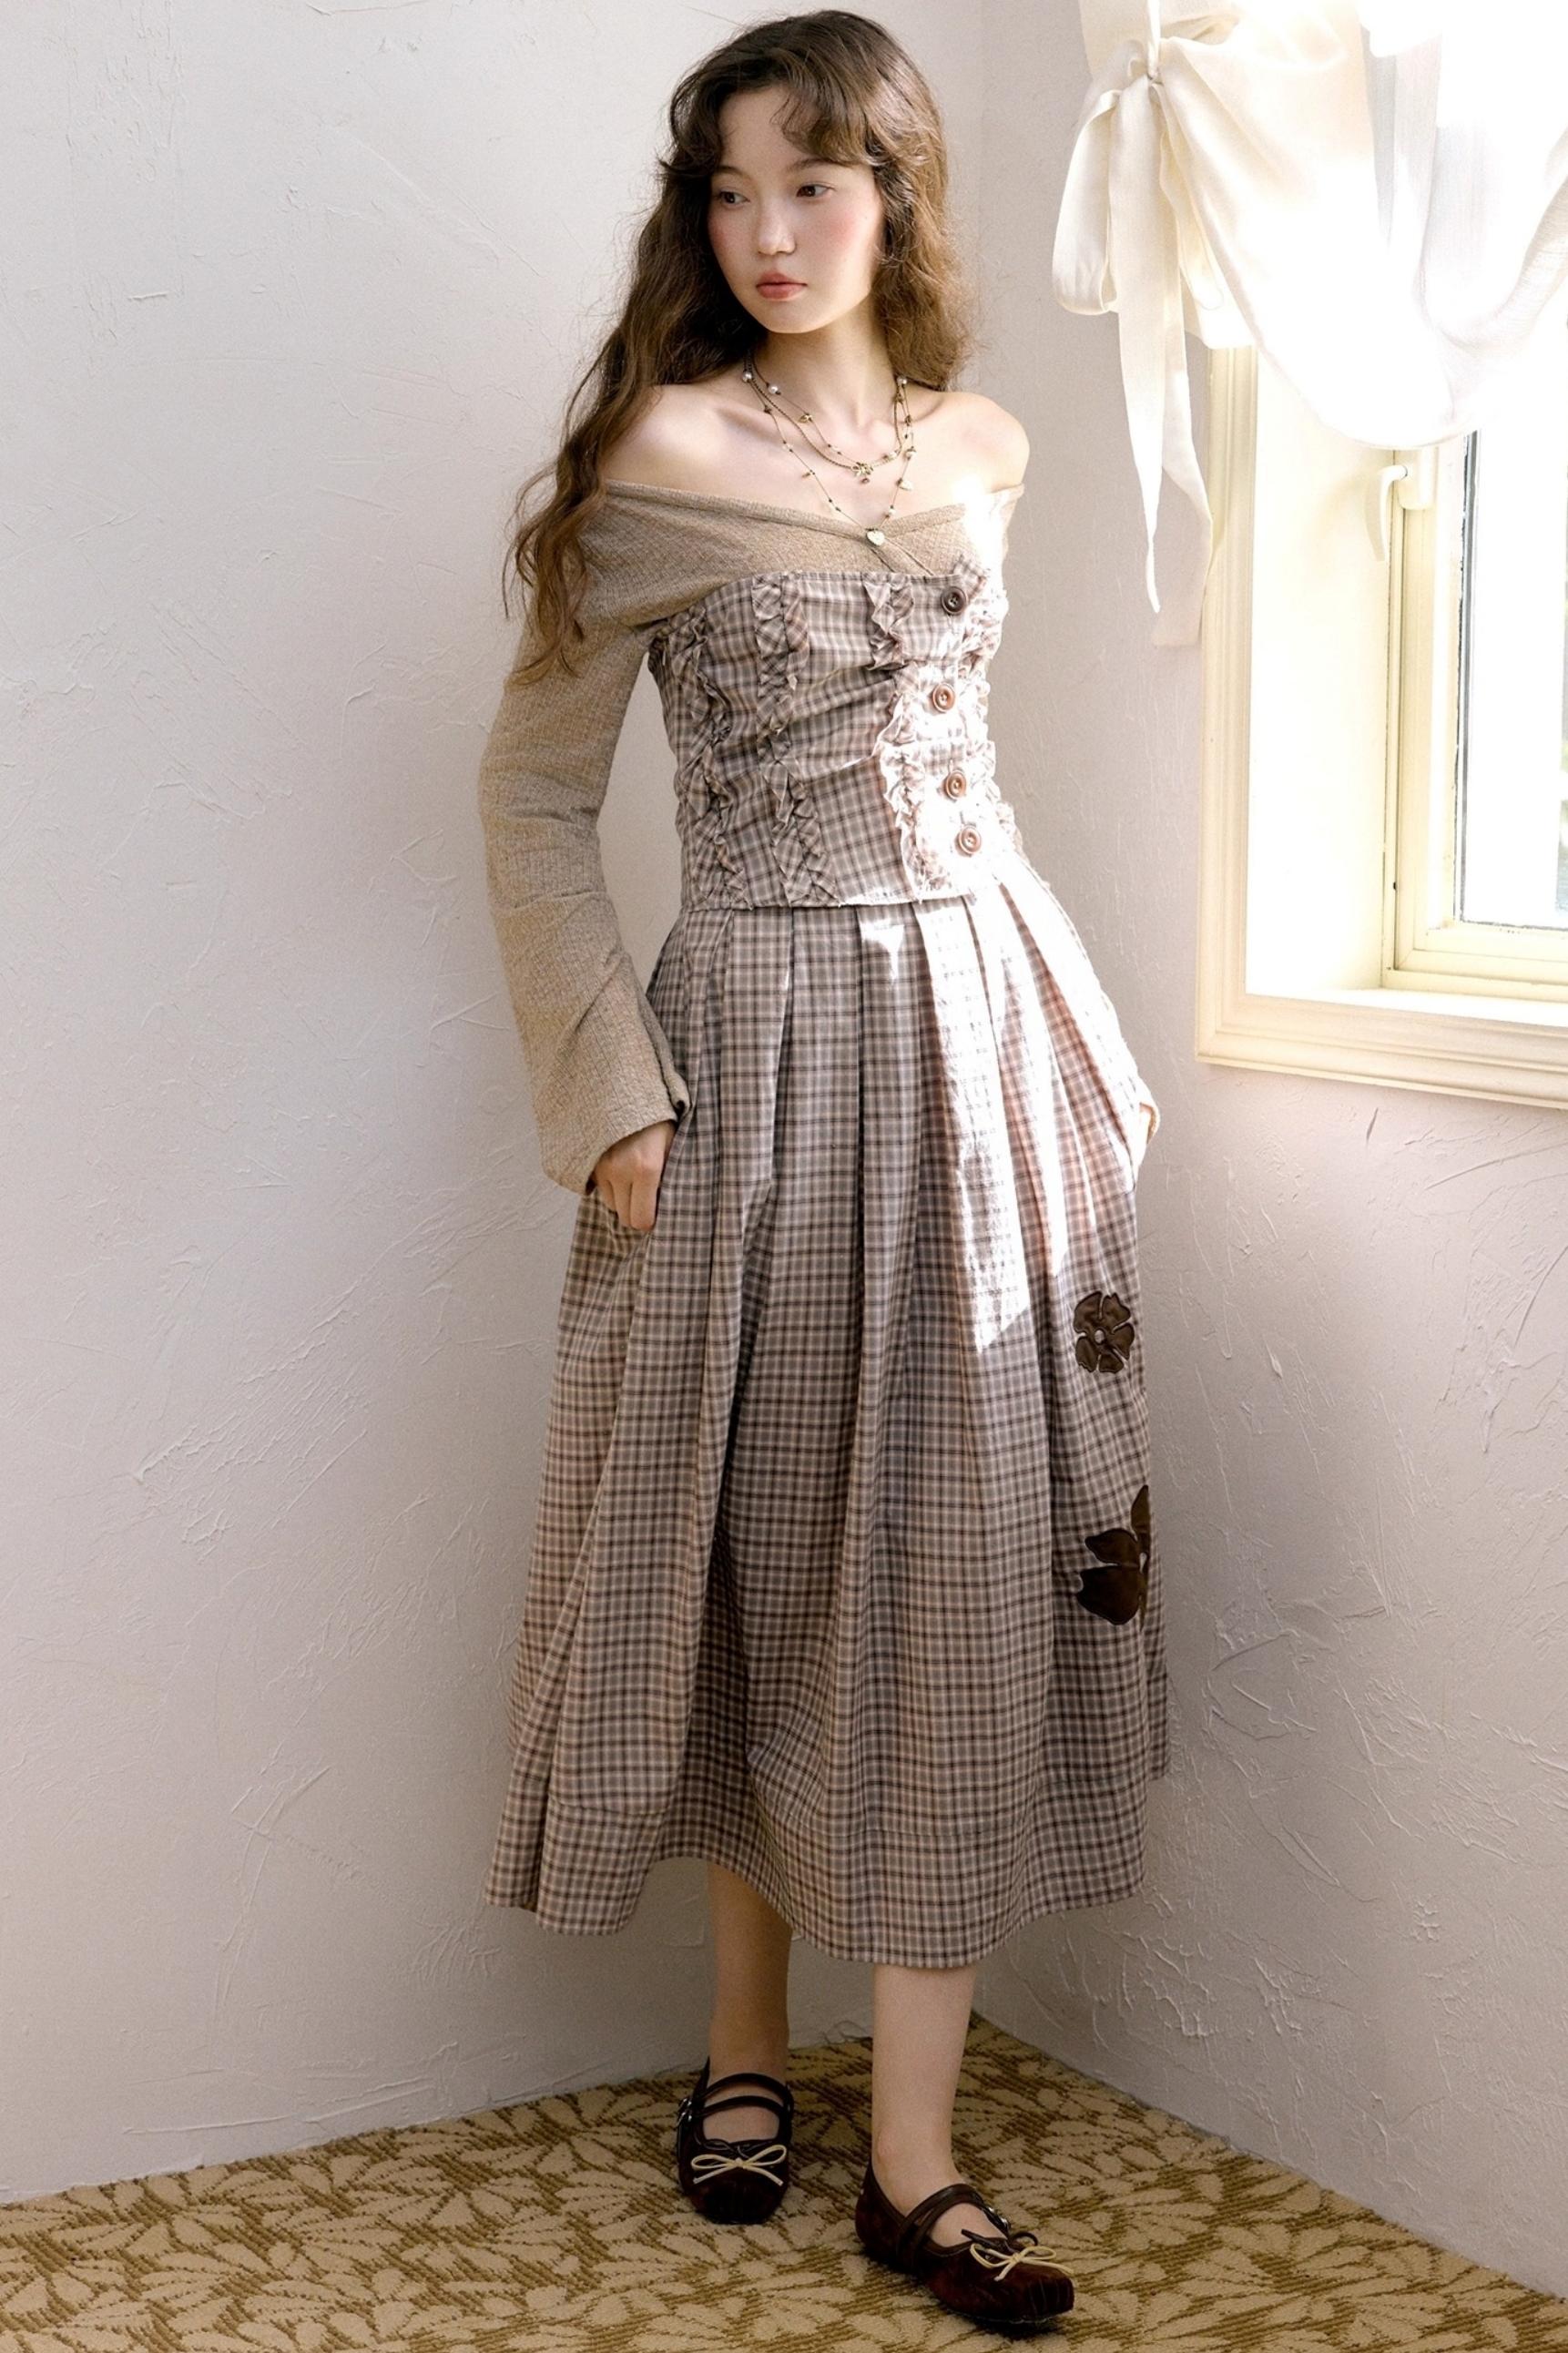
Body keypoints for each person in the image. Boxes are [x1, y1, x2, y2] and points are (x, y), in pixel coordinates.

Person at [474, 10, 1165, 2331]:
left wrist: (1072, 1040)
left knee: (953, 1551)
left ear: (894, 195)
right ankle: (743, 2048)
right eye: (731, 192)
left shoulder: (985, 443)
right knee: (760, 1541)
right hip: (754, 1046)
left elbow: (966, 773)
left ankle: (916, 2154)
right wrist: (615, 1096)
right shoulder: (660, 453)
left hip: (979, 1033)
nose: (770, 234)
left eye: (815, 186)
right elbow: (532, 795)